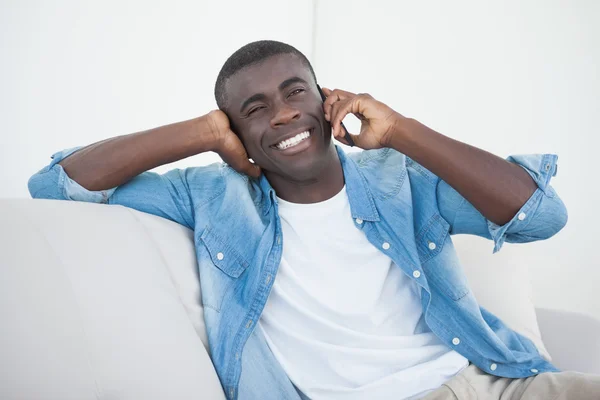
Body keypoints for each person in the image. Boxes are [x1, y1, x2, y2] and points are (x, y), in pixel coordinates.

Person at [28, 40, 599, 400]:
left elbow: (540, 216)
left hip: (493, 380)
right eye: (253, 110)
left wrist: (400, 130)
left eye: (294, 92)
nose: (281, 114)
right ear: (236, 130)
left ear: (327, 101)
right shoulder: (209, 196)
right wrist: (199, 133)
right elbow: (55, 186)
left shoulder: (398, 177)